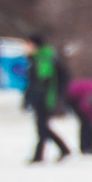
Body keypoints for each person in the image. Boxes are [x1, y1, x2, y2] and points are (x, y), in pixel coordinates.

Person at [24, 31, 71, 162]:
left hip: (45, 98)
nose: (24, 47)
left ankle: (41, 155)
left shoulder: (44, 59)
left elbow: (43, 81)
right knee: (43, 127)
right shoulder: (39, 58)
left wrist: (49, 97)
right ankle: (62, 150)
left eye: (26, 44)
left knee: (42, 127)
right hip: (41, 97)